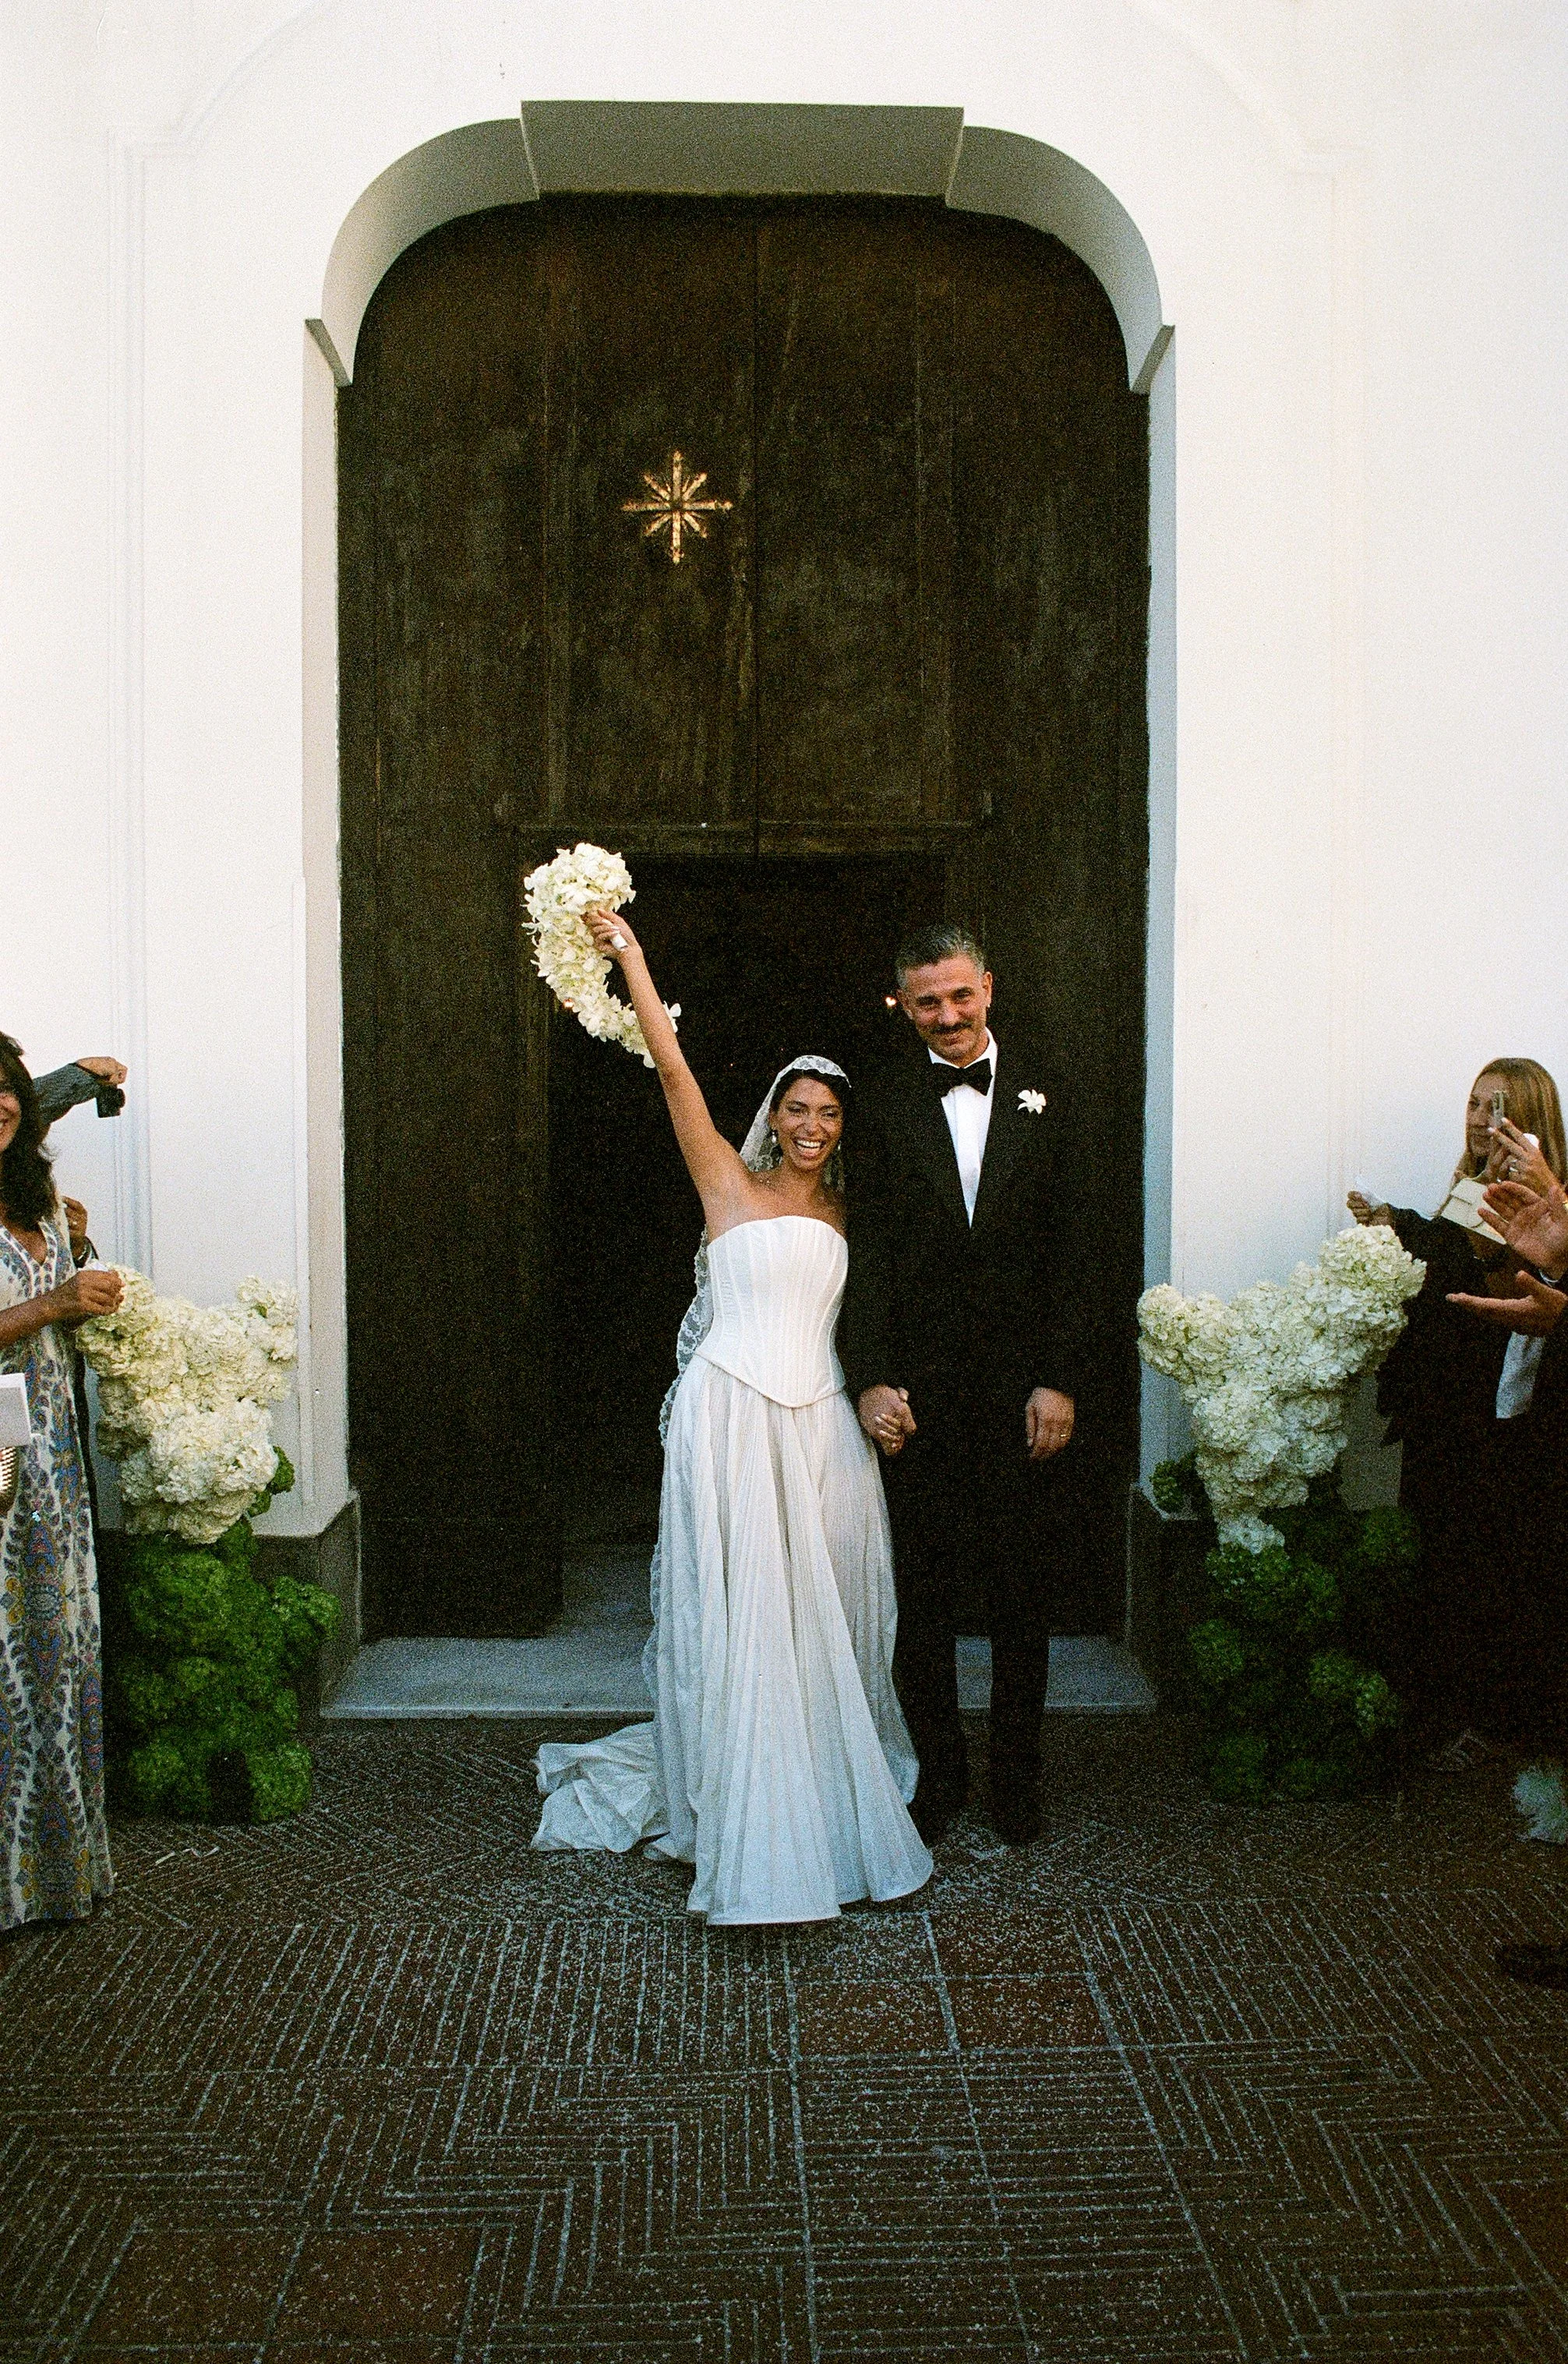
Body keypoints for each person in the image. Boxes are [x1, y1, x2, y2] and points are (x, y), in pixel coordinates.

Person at [531, 910, 932, 1925]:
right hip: (730, 1407)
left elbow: (870, 1322)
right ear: (774, 1114)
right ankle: (748, 1801)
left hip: (821, 1422)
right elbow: (674, 1074)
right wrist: (631, 957)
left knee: (834, 1599)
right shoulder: (727, 1183)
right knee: (745, 1601)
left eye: (826, 1114)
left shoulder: (849, 1215)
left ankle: (823, 1774)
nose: (809, 1124)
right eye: (796, 1108)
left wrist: (880, 1400)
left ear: (842, 1127)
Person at [837, 923, 1081, 1848]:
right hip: (921, 1397)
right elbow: (868, 1257)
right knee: (923, 1597)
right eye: (925, 1002)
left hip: (1025, 1397)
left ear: (988, 985)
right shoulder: (882, 1099)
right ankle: (935, 1777)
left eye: (960, 995)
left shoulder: (1051, 1090)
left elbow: (1076, 1244)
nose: (946, 1015)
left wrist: (1058, 1379)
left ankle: (1017, 1780)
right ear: (901, 1004)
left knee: (1022, 1594)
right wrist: (869, 1381)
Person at [1350, 1058, 1567, 1744]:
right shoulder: (1465, 1188)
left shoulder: (1547, 1207)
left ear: (1529, 1123)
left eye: (1497, 1107)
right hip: (1442, 1409)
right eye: (1474, 1104)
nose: (1480, 1118)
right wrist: (1395, 1225)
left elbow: (1500, 1275)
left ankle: (1486, 1719)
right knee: (1437, 1559)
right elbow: (1445, 1264)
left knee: (1488, 1566)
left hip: (1502, 1417)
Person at [0, 1034, 123, 1932]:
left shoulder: (32, 1192)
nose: (0, 1107)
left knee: (57, 1657)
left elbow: (56, 1298)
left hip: (50, 1460)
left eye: (7, 1092)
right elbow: (39, 1309)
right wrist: (50, 1304)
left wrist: (77, 1255)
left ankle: (52, 1874)